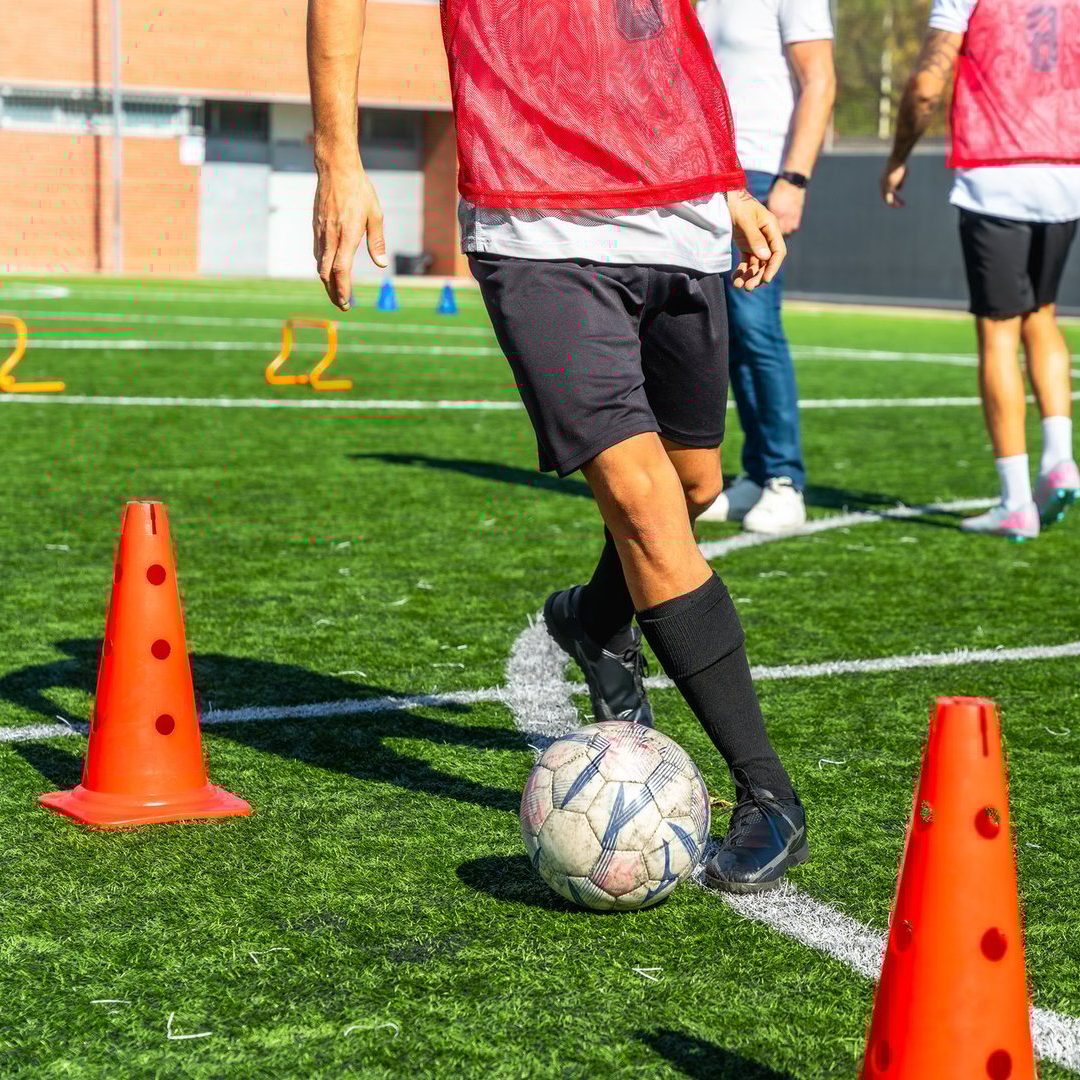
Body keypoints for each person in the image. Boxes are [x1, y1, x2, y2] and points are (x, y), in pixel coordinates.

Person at [306, 0, 808, 892]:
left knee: (694, 483)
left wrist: (724, 176)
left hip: (681, 207)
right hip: (540, 222)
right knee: (647, 505)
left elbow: (667, 27)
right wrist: (338, 157)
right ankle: (769, 795)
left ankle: (593, 621)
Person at [882, 0, 1080, 540]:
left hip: (995, 176)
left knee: (998, 334)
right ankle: (1060, 458)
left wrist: (898, 154)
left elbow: (928, 85)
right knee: (1042, 315)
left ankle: (1015, 501)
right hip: (1067, 178)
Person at [695, 0, 836, 534]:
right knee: (724, 330)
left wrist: (793, 179)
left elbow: (820, 81)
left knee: (757, 325)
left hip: (756, 173)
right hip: (699, 176)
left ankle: (784, 480)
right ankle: (754, 474)